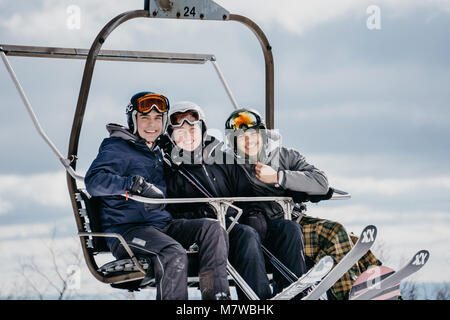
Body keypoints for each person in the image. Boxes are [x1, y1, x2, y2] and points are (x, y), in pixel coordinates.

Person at [84, 91, 231, 300]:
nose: (151, 124)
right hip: (128, 232)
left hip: (161, 227)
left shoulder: (156, 149)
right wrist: (133, 185)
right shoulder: (117, 148)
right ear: (133, 120)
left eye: (157, 119)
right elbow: (94, 182)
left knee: (212, 229)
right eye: (145, 118)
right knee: (173, 253)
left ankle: (215, 296)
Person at [224, 107, 382, 300]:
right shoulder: (231, 166)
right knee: (333, 235)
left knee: (349, 240)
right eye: (241, 137)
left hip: (294, 221)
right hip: (274, 229)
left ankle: (371, 289)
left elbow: (321, 183)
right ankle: (344, 294)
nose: (249, 141)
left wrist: (279, 177)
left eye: (253, 134)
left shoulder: (285, 157)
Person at [162, 101, 307, 300]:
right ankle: (257, 299)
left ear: (202, 129)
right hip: (208, 238)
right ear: (171, 135)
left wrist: (255, 216)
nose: (188, 136)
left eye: (192, 129)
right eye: (180, 132)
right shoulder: (170, 169)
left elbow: (247, 197)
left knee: (288, 229)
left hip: (238, 226)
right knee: (245, 235)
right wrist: (207, 215)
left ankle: (293, 293)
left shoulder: (221, 160)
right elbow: (170, 212)